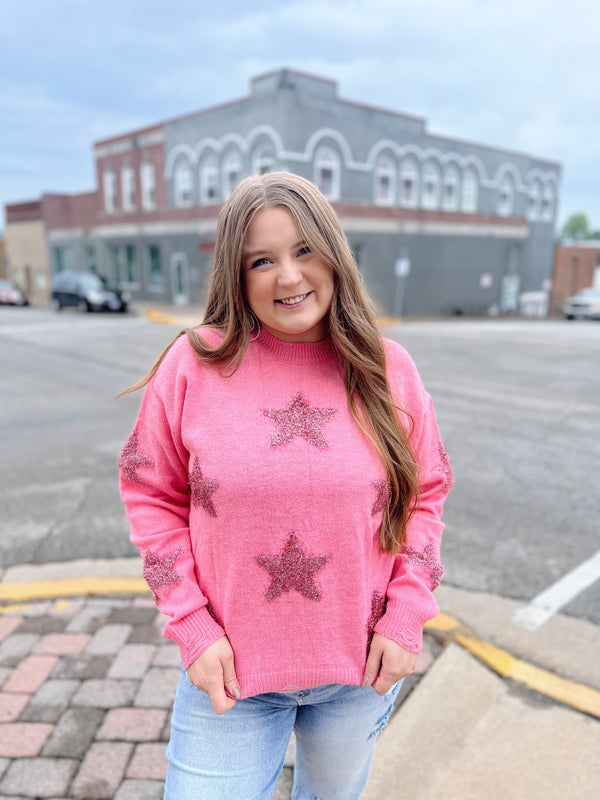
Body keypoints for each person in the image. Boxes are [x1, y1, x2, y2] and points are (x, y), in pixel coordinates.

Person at [119, 171, 452, 799]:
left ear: (333, 252)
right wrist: (192, 626)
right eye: (262, 260)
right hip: (230, 674)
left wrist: (406, 615)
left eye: (304, 250)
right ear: (236, 276)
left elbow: (425, 493)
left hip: (359, 670)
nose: (290, 276)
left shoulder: (388, 369)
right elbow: (151, 495)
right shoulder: (192, 366)